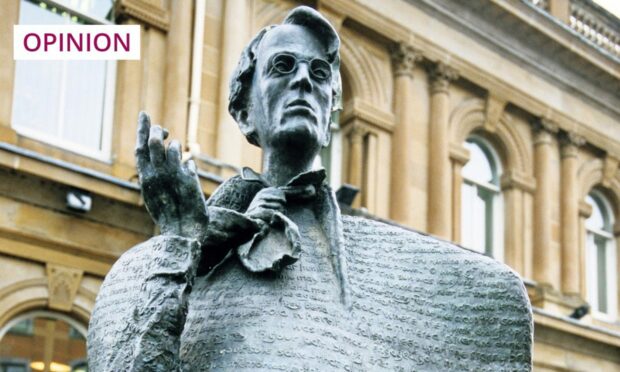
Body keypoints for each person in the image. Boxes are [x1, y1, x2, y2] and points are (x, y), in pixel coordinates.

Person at [88, 6, 532, 371]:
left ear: (330, 115)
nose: (304, 79)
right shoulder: (161, 261)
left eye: (320, 74)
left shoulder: (397, 276)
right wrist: (179, 243)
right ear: (244, 112)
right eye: (283, 66)